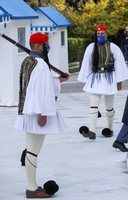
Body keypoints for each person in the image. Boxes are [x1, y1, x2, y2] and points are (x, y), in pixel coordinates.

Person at [15, 32, 68, 198]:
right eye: (45, 44)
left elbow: (39, 85)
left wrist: (57, 80)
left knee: (31, 149)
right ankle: (31, 188)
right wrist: (43, 113)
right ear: (38, 46)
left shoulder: (28, 61)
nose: (47, 47)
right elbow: (41, 91)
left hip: (28, 111)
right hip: (37, 112)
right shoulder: (41, 64)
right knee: (32, 151)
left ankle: (32, 185)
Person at [78, 24, 128, 140]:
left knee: (109, 107)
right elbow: (87, 62)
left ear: (106, 34)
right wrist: (85, 78)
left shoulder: (113, 47)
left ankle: (109, 128)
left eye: (102, 34)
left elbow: (119, 64)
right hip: (95, 78)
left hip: (109, 78)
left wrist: (119, 81)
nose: (100, 36)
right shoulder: (91, 47)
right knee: (93, 106)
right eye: (98, 34)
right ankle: (92, 131)